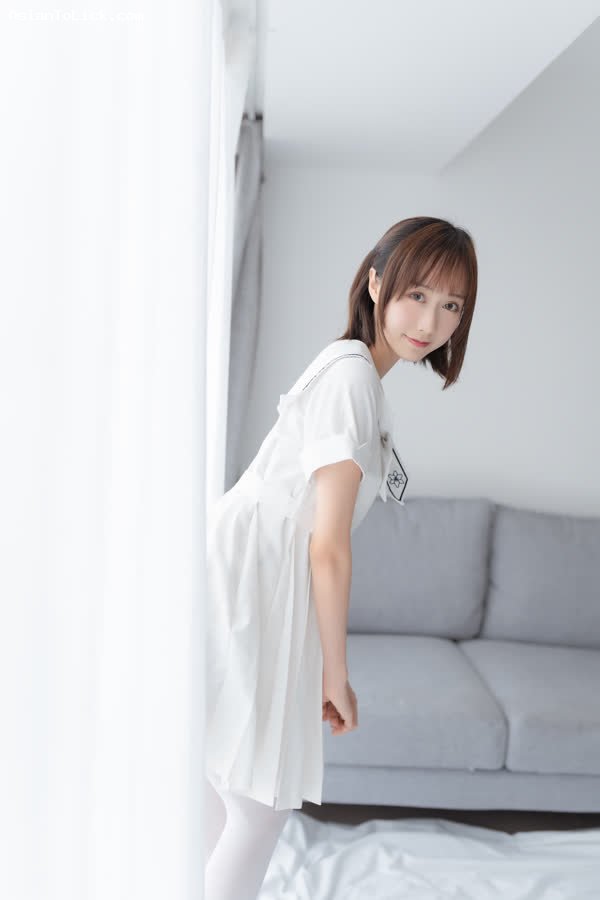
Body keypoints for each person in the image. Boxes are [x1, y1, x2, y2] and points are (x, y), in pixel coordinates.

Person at [203, 216, 478, 899]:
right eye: (417, 295)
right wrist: (335, 674)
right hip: (259, 577)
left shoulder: (353, 370)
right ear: (377, 283)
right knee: (257, 802)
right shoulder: (354, 378)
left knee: (227, 785)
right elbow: (328, 546)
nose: (431, 322)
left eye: (451, 305)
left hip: (255, 570)